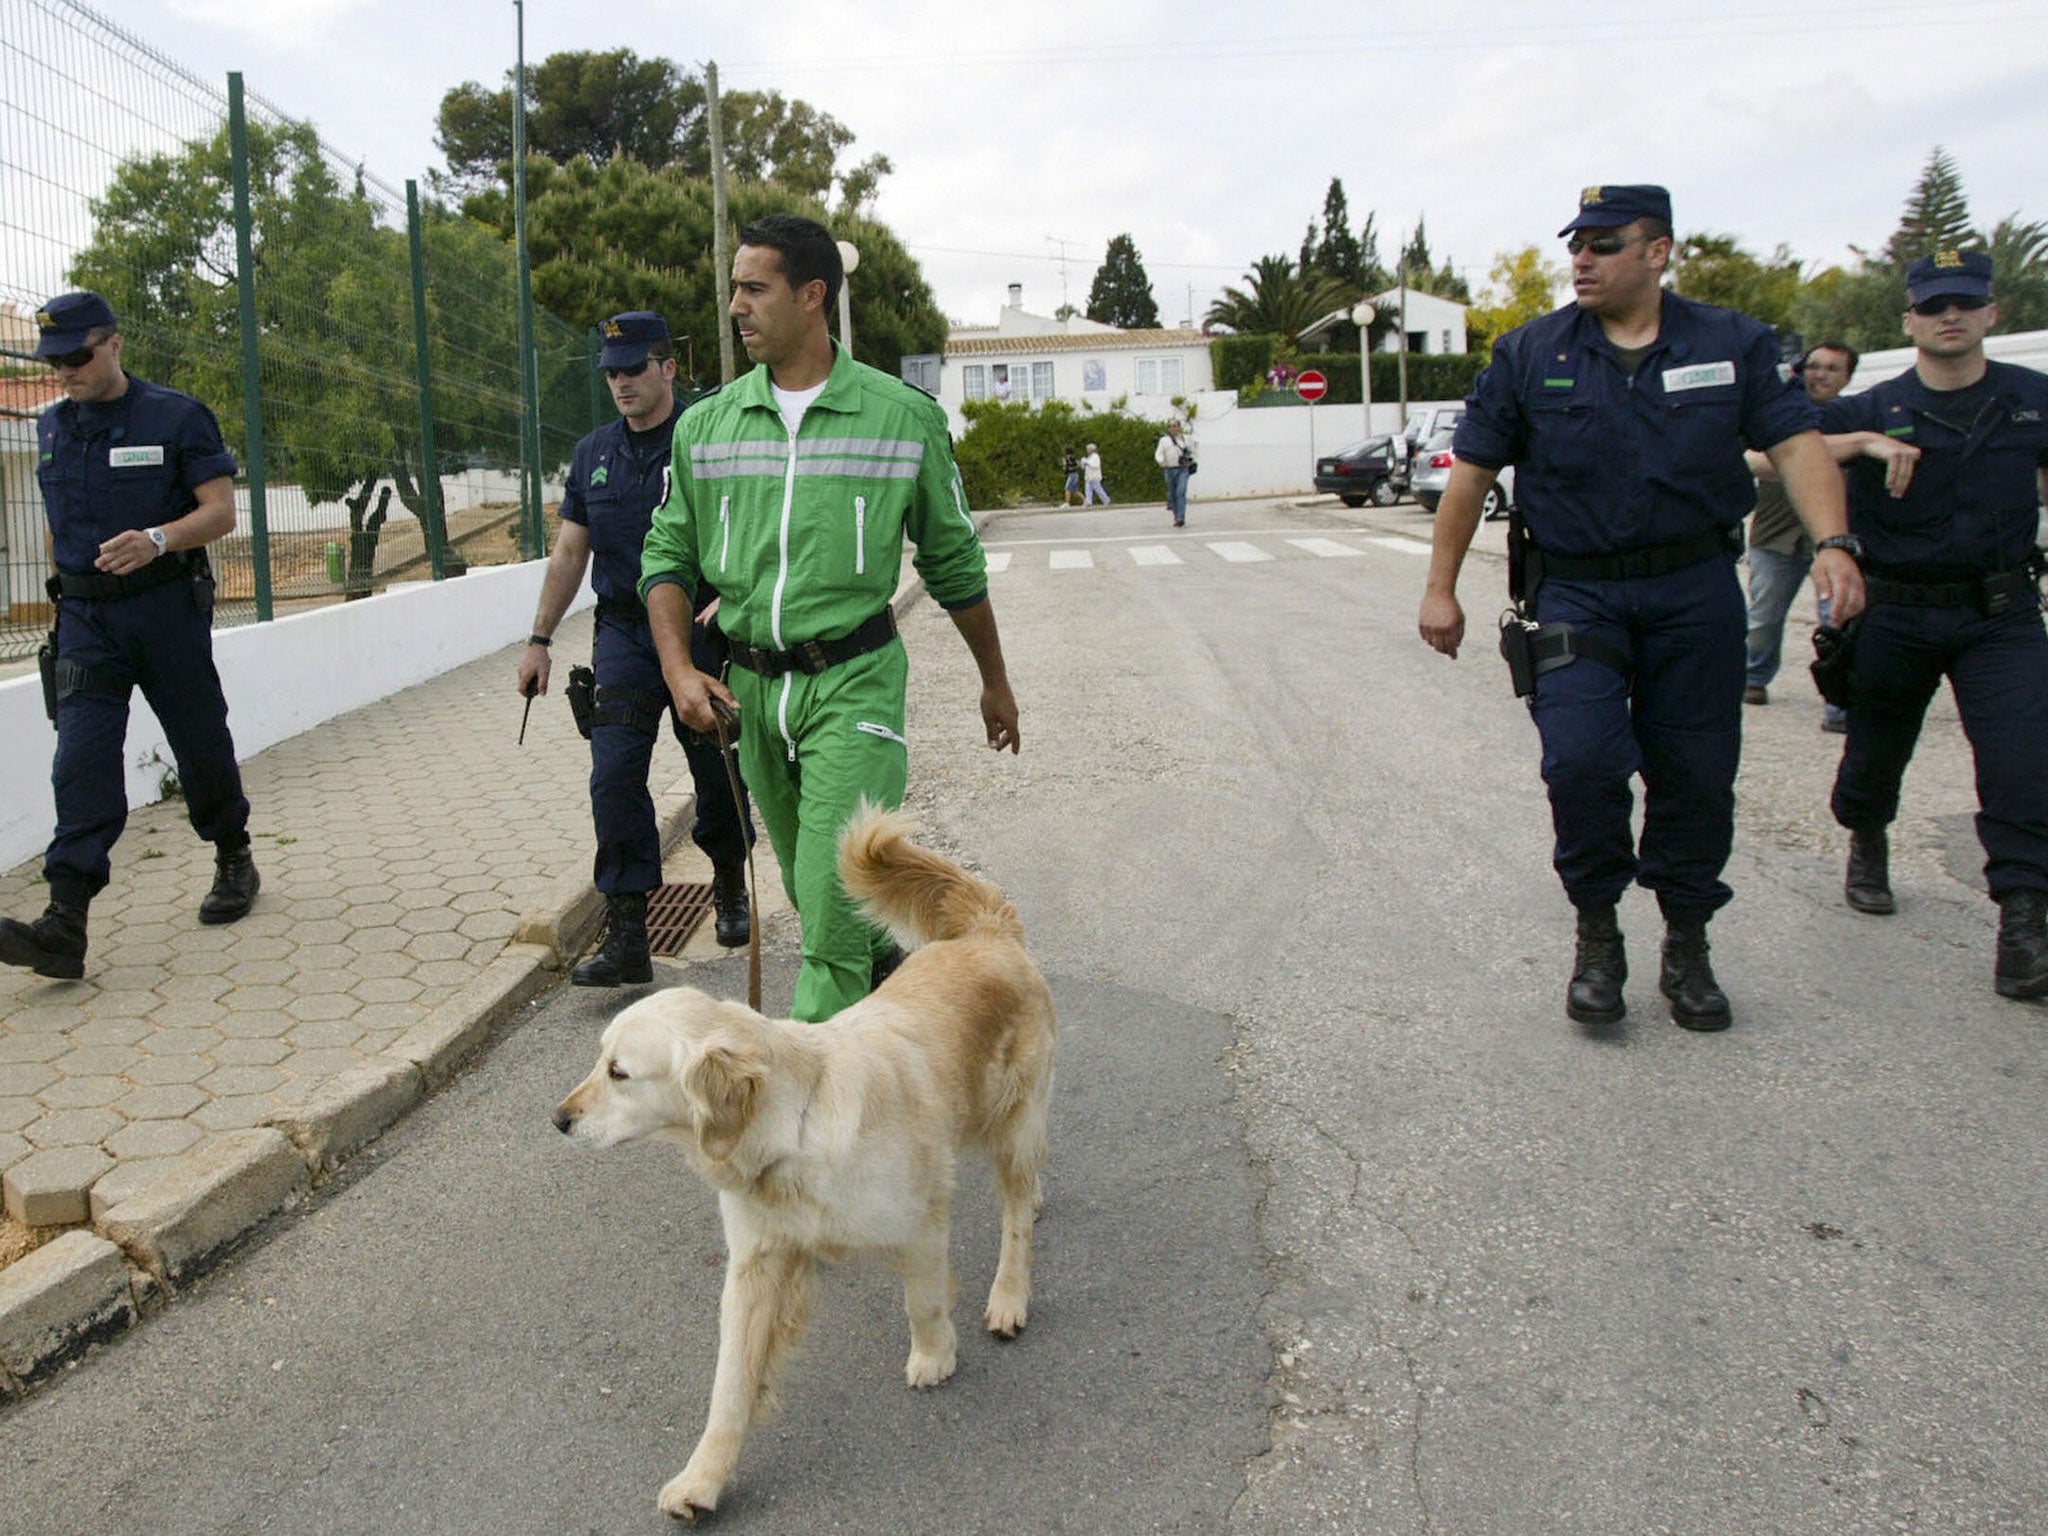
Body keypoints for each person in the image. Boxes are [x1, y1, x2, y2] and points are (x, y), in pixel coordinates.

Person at [1416, 185, 1865, 1031]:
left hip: (1694, 591)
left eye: (1604, 243)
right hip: (1575, 589)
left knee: (1695, 775)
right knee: (1580, 764)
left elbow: (1798, 446)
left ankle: (1687, 940)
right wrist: (1440, 588)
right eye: (1575, 245)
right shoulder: (1529, 352)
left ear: (1657, 252)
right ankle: (1597, 931)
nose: (1580, 259)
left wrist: (1835, 543)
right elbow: (1471, 474)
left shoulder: (1733, 343)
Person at [640, 213, 1021, 1023]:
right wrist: (680, 669)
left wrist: (996, 682)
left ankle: (811, 1114)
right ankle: (885, 970)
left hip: (854, 685)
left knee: (825, 904)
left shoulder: (901, 417)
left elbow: (953, 562)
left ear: (812, 296)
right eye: (734, 289)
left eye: (754, 288)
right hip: (750, 693)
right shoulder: (704, 428)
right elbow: (667, 555)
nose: (736, 306)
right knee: (818, 894)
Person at [0, 291, 260, 980]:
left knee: (199, 741)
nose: (65, 373)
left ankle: (232, 851)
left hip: (164, 608)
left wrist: (157, 539)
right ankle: (65, 922)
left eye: (77, 357)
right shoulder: (52, 427)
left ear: (113, 342)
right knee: (80, 761)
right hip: (86, 621)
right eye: (53, 362)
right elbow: (61, 526)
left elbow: (221, 512)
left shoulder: (175, 416)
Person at [1817, 249, 2048, 1000]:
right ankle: (1867, 837)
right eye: (1934, 305)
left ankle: (2023, 922)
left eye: (1965, 302)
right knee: (1876, 749)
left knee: (2023, 760)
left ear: (1992, 313)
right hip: (1899, 610)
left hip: (2001, 612)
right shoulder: (1871, 408)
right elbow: (1769, 453)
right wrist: (1860, 446)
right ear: (1909, 319)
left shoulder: (2033, 398)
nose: (1950, 316)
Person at [517, 312, 754, 988]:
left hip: (701, 627)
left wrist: (734, 599)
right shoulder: (594, 452)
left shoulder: (706, 436)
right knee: (613, 775)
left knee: (715, 770)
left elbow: (753, 518)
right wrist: (539, 641)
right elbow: (569, 550)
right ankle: (628, 932)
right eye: (611, 371)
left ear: (667, 368)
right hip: (623, 631)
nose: (620, 381)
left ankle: (729, 880)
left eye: (633, 368)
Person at [1742, 342, 1859, 730]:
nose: (1819, 374)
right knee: (1764, 617)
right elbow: (1758, 459)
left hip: (1833, 536)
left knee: (1838, 619)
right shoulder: (1770, 412)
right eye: (1814, 366)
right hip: (1775, 537)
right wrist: (1855, 445)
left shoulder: (1854, 416)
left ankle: (1840, 703)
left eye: (1832, 369)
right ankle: (1753, 677)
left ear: (1848, 377)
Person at [1155, 420, 1192, 527]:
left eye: (1175, 426)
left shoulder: (1185, 440)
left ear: (1179, 427)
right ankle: (1176, 516)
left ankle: (1181, 517)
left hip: (1182, 469)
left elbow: (1192, 451)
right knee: (1173, 493)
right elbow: (1159, 453)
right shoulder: (1164, 440)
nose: (1173, 428)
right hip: (1169, 469)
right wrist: (1161, 461)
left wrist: (1190, 460)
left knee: (1181, 492)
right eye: (1171, 426)